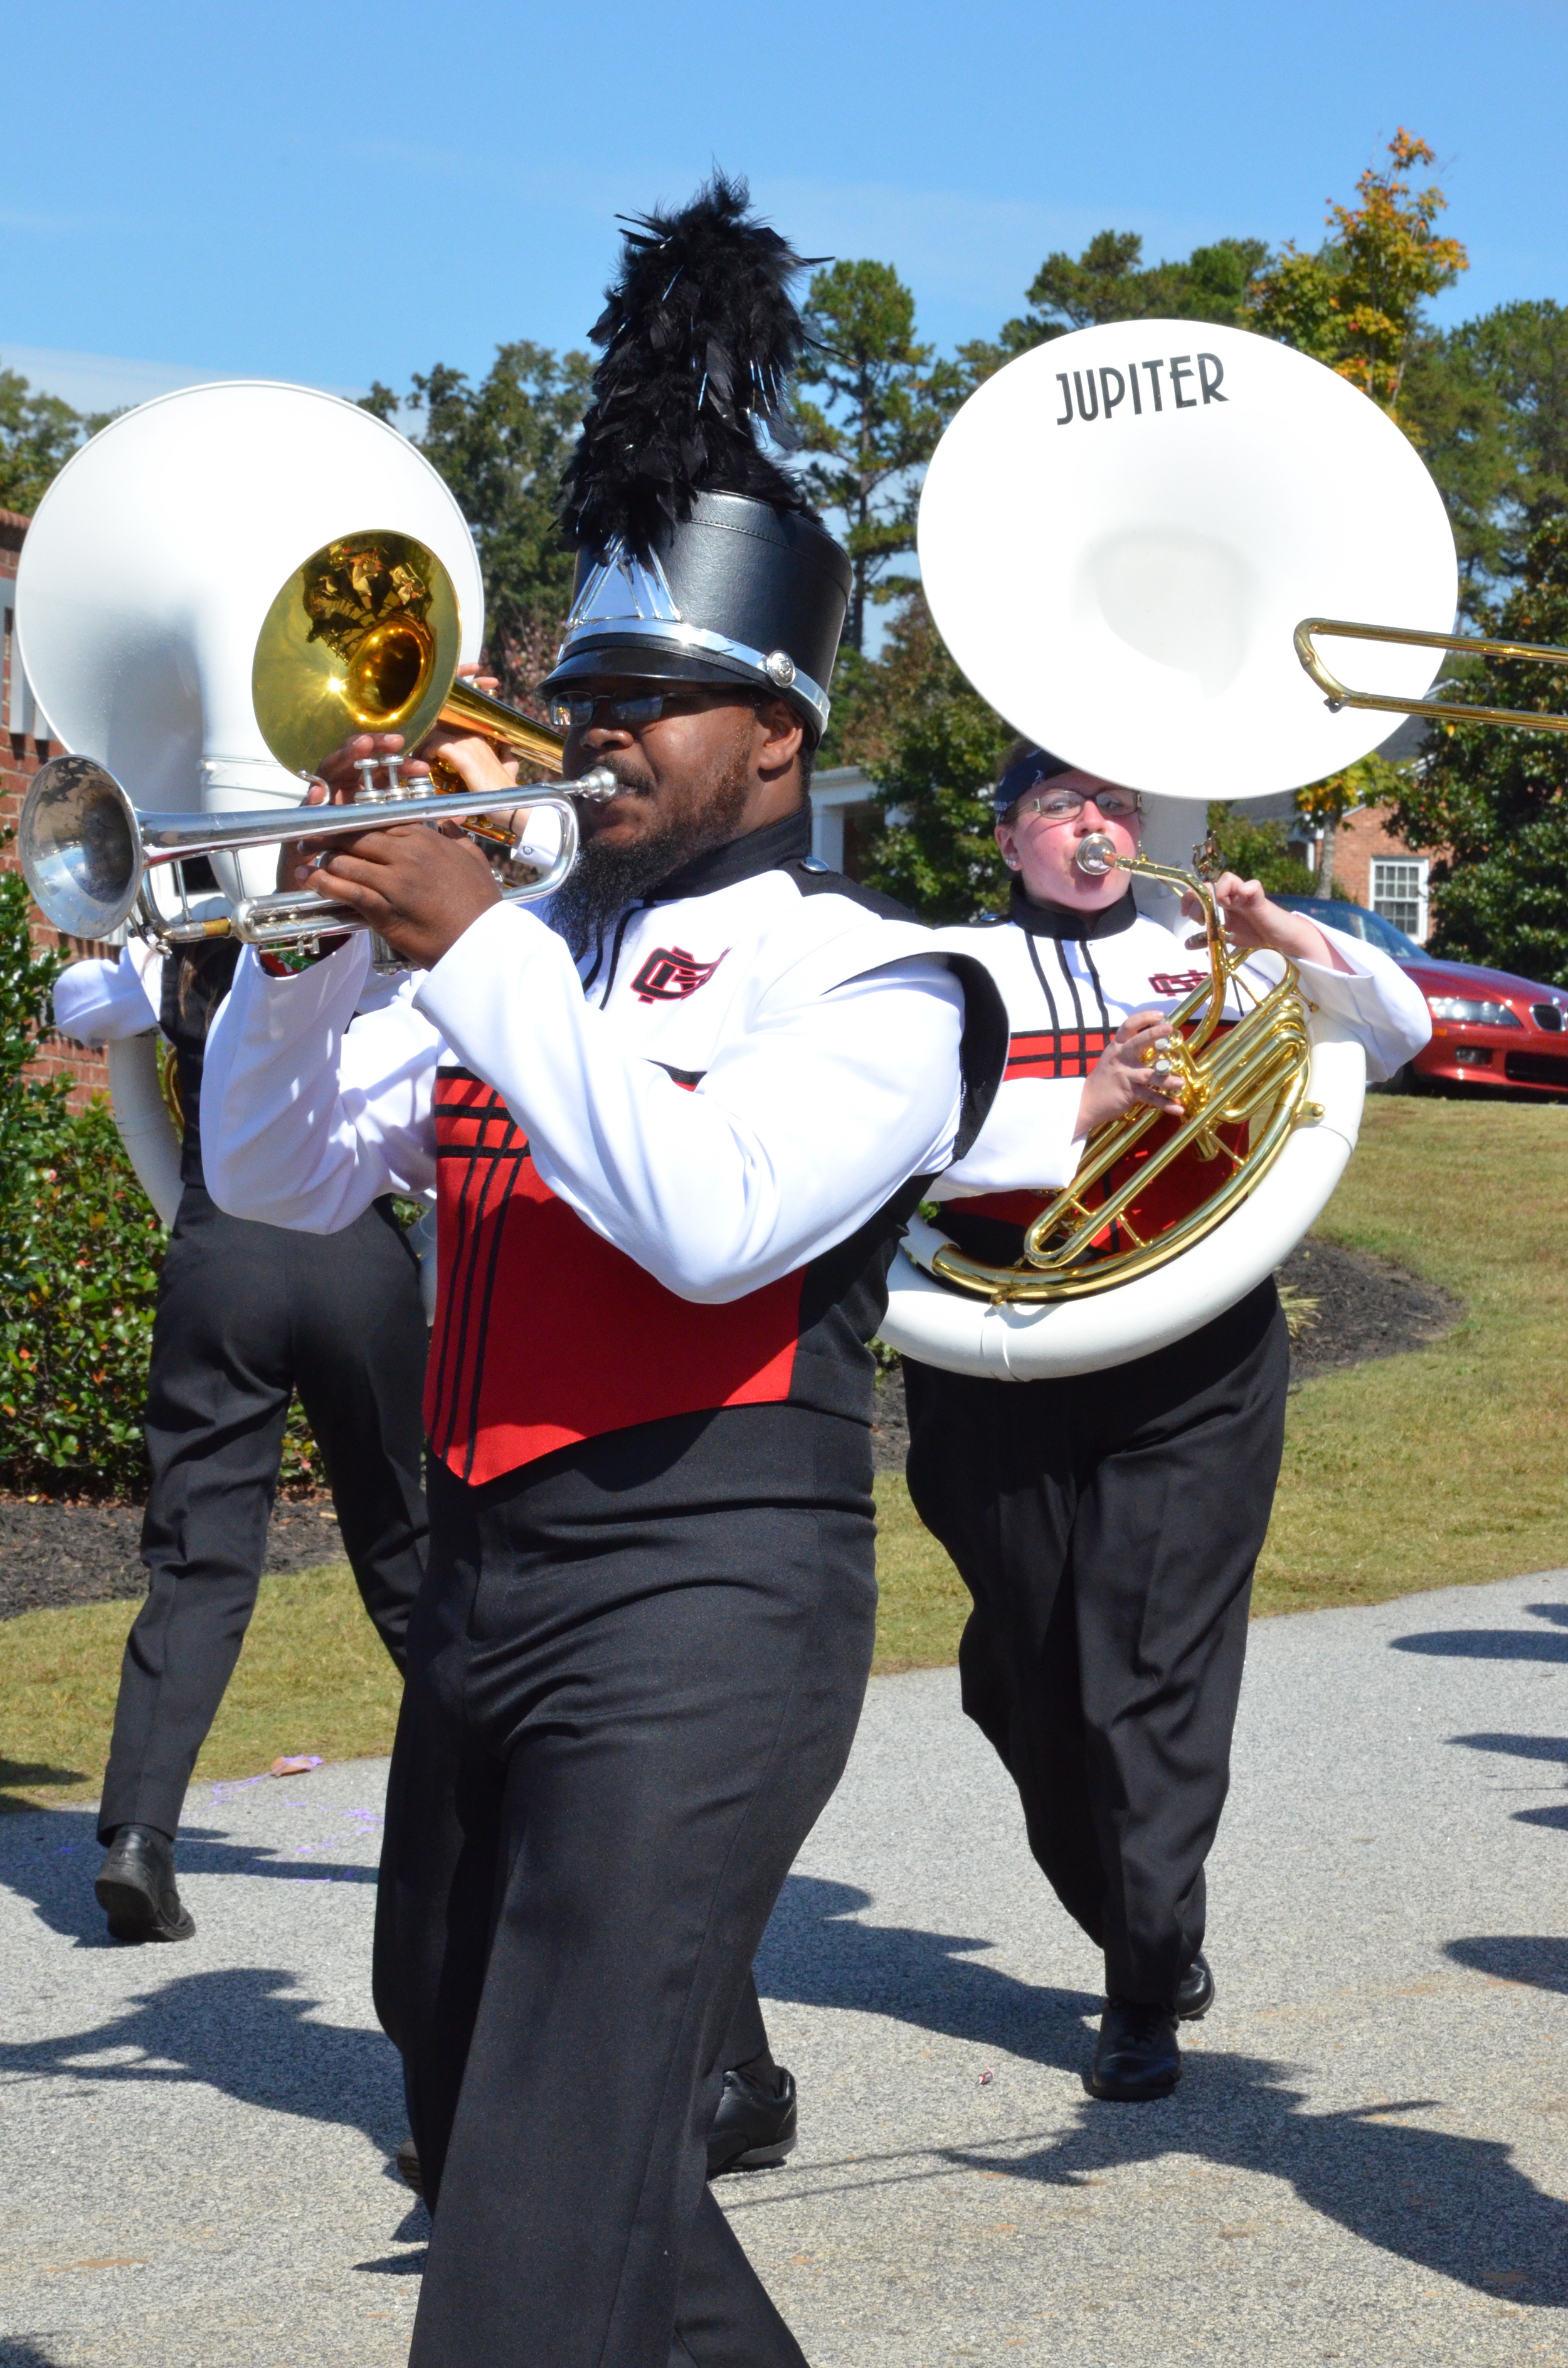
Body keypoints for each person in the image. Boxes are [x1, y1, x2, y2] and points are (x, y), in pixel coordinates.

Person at [201, 176, 1004, 2368]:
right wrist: (299, 939)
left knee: (530, 2237)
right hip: (486, 1586)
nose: (598, 728)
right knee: (506, 2136)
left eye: (660, 694)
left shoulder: (886, 980)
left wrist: (469, 947)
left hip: (704, 1599)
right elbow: (273, 1179)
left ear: (783, 735)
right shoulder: (520, 953)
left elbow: (713, 1213)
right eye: (587, 686)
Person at [906, 742, 1432, 2102]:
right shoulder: (946, 968)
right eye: (1058, 805)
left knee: (1142, 1669)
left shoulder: (1208, 949)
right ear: (1009, 838)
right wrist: (1075, 1108)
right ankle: (1140, 1918)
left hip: (1193, 1354)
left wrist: (1282, 934)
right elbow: (878, 1140)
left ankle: (1141, 1979)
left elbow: (1397, 1032)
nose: (1094, 824)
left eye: (1114, 805)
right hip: (997, 1345)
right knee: (1020, 1672)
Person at [53, 935, 430, 1945]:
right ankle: (521, 1800)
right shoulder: (387, 953)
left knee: (195, 1559)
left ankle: (139, 1837)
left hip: (221, 1253)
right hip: (358, 1249)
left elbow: (79, 1000)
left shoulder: (171, 949)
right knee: (408, 1550)